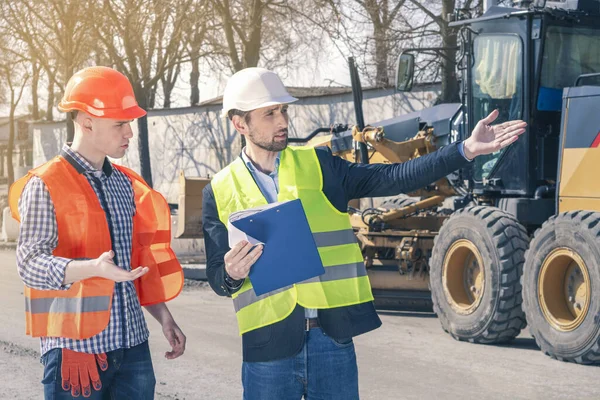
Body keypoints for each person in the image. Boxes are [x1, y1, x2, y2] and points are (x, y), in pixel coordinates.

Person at [202, 67, 527, 399]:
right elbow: (217, 276)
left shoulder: (320, 165)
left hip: (330, 340)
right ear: (240, 123)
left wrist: (465, 151)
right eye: (270, 114)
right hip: (266, 347)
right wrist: (230, 272)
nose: (283, 120)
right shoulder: (219, 190)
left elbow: (395, 176)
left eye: (283, 110)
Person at [9, 66, 186, 399]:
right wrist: (91, 269)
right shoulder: (45, 184)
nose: (129, 133)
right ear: (87, 122)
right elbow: (30, 265)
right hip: (78, 350)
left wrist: (164, 316)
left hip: (133, 347)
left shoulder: (125, 184)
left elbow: (135, 263)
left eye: (129, 123)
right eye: (120, 123)